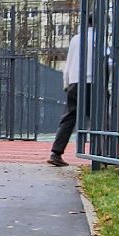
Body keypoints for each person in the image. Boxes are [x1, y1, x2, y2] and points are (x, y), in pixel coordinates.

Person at [47, 19, 92, 167]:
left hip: (74, 82)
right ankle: (103, 154)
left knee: (69, 118)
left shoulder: (75, 39)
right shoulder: (99, 38)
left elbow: (68, 64)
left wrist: (66, 83)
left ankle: (56, 153)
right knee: (100, 119)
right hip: (92, 82)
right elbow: (108, 61)